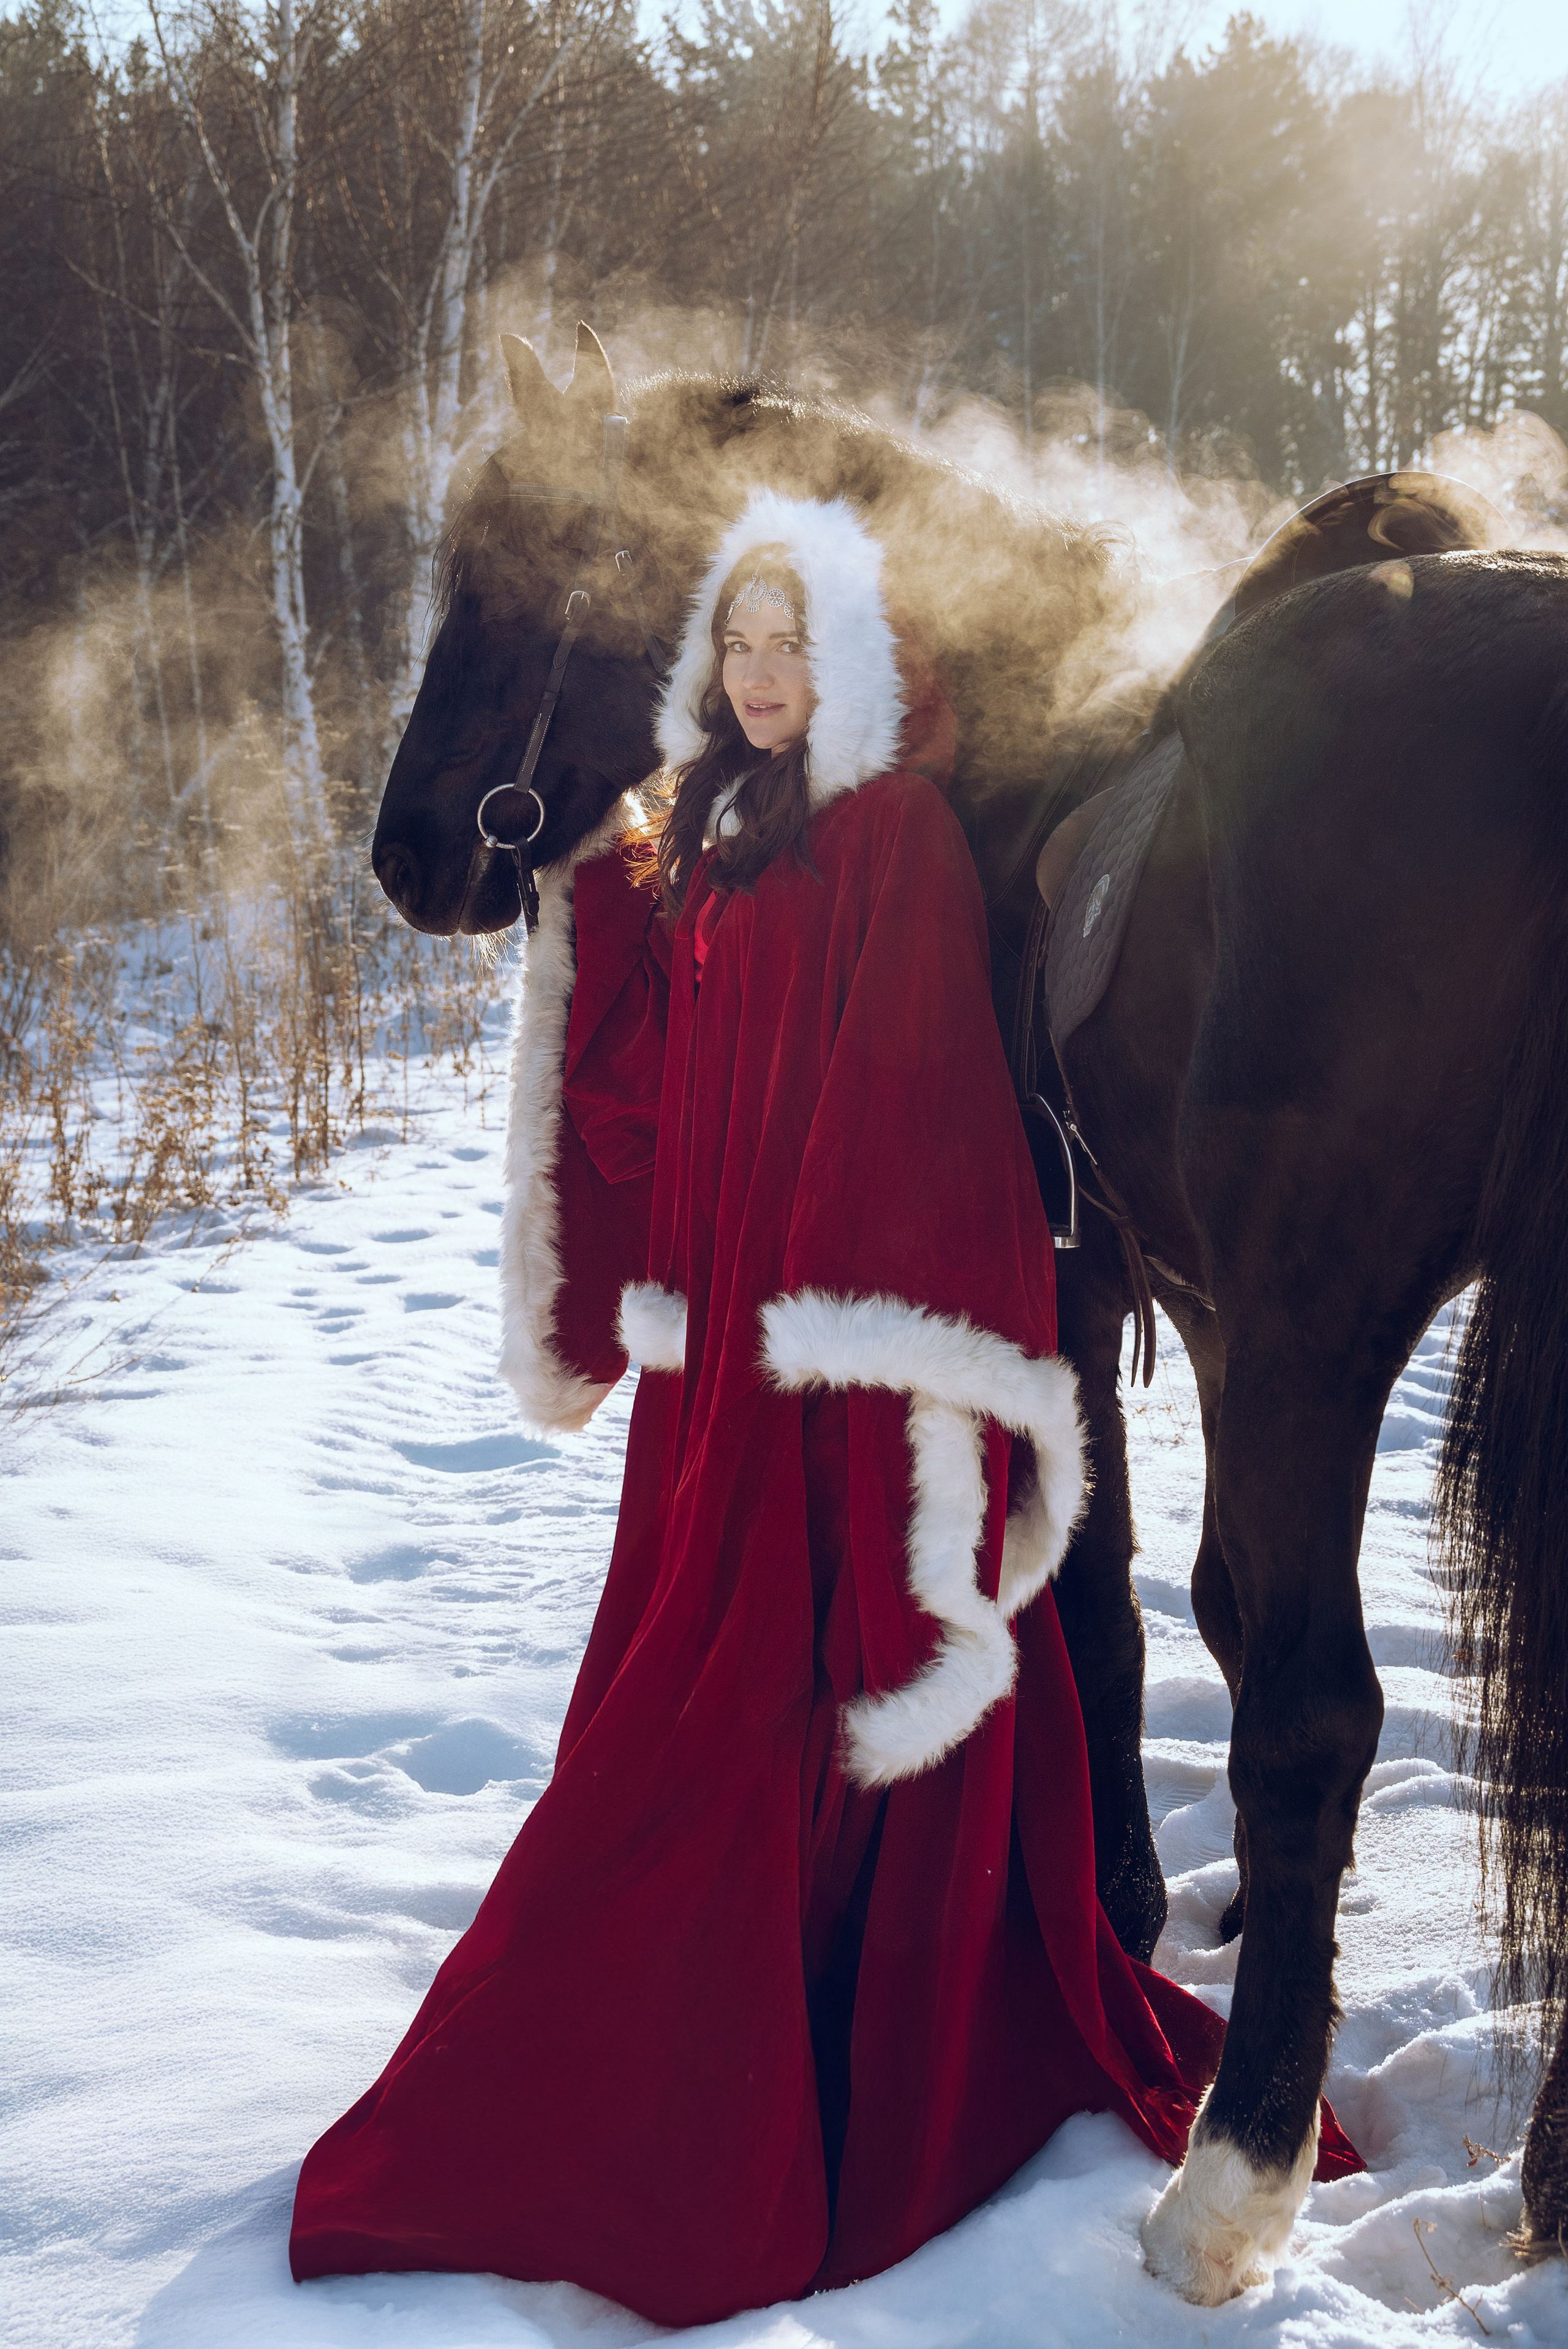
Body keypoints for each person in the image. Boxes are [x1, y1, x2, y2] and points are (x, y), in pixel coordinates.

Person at [288, 490, 1357, 2326]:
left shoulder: (895, 849)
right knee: (672, 1735)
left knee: (806, 1720)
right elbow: (680, 1077)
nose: (765, 679)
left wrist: (874, 1367)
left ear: (846, 662)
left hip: (840, 1376)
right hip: (723, 1375)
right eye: (741, 649)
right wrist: (595, 918)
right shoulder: (701, 823)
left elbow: (929, 1124)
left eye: (795, 651)